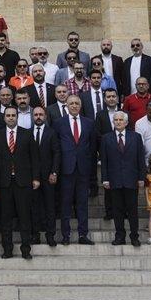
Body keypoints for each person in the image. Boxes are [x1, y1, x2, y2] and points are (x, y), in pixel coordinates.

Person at [0, 105, 34, 259]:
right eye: (8, 115)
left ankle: (26, 250)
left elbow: (34, 157)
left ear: (17, 117)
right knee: (6, 219)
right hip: (4, 183)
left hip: (23, 182)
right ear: (4, 118)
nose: (10, 118)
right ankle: (7, 250)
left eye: (13, 115)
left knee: (24, 217)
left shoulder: (27, 134)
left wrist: (35, 178)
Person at [100, 111, 144, 248]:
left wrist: (141, 177)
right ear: (113, 122)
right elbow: (104, 160)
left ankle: (134, 236)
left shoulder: (136, 137)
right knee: (117, 210)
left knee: (132, 210)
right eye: (116, 120)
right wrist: (105, 179)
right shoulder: (106, 138)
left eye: (121, 120)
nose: (118, 122)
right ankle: (120, 236)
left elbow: (140, 158)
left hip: (131, 179)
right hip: (114, 180)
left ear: (126, 122)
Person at [54, 95, 95, 245]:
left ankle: (83, 235)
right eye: (71, 103)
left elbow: (92, 147)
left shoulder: (89, 123)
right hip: (66, 169)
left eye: (77, 103)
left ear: (80, 105)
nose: (74, 106)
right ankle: (66, 236)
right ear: (66, 105)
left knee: (82, 204)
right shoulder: (59, 123)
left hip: (83, 169)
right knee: (65, 204)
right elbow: (56, 147)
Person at [29, 106, 60, 247]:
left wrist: (54, 172)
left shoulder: (52, 133)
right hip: (32, 177)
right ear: (32, 116)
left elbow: (57, 153)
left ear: (45, 116)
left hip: (48, 176)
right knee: (34, 207)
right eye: (36, 114)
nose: (38, 117)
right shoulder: (27, 133)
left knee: (49, 207)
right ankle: (35, 235)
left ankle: (50, 236)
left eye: (41, 114)